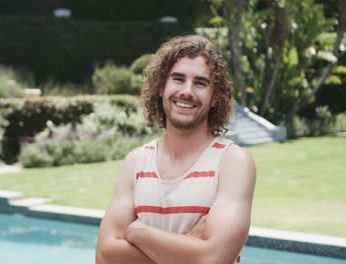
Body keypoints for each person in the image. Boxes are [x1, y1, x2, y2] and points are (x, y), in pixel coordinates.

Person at [96, 35, 256, 264]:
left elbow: (214, 259)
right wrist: (189, 246)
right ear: (161, 87)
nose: (187, 91)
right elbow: (104, 256)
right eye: (178, 79)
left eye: (200, 83)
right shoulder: (136, 162)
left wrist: (139, 233)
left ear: (215, 98)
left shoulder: (233, 162)